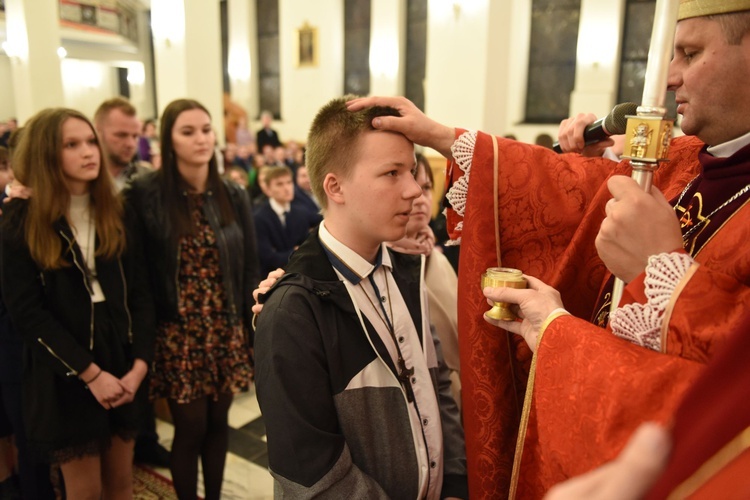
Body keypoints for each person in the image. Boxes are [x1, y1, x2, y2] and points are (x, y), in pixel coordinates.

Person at [347, 2, 750, 496]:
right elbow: (565, 189)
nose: (668, 77)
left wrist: (657, 273)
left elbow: (728, 399)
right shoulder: (684, 160)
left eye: (690, 52)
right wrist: (442, 137)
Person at [253, 96, 467, 499]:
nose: (414, 193)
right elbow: (312, 473)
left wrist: (454, 483)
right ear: (336, 187)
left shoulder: (407, 267)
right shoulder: (292, 312)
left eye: (412, 173)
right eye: (391, 173)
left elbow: (436, 386)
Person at [0, 108, 155, 499]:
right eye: (71, 145)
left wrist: (140, 364)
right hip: (67, 363)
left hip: (119, 349)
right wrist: (90, 374)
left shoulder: (116, 210)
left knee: (121, 482)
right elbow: (29, 314)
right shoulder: (21, 219)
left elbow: (139, 291)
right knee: (84, 491)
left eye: (90, 141)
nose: (89, 152)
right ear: (44, 154)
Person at [124, 98, 259, 500]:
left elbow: (250, 264)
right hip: (178, 330)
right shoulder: (146, 194)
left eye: (205, 129)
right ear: (169, 141)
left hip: (225, 325)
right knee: (191, 427)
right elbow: (141, 275)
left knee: (219, 423)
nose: (201, 139)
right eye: (188, 132)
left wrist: (249, 330)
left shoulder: (231, 194)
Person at [389, 153, 462, 411]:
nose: (420, 198)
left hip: (454, 392)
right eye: (412, 187)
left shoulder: (438, 257)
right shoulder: (381, 263)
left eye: (427, 188)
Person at [253, 165, 321, 276]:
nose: (287, 188)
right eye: (279, 184)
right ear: (268, 190)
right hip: (272, 277)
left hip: (300, 274)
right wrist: (296, 251)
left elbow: (308, 248)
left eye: (289, 182)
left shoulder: (300, 212)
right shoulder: (259, 217)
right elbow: (267, 257)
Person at [94, 98, 152, 192]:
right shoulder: (82, 182)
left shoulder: (148, 179)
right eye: (121, 135)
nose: (131, 144)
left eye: (135, 136)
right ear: (97, 133)